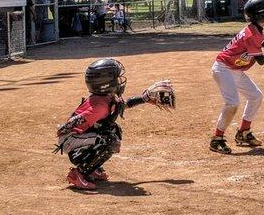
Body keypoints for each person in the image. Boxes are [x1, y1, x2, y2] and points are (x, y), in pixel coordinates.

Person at [54, 58, 175, 190]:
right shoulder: (99, 107)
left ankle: (91, 169)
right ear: (106, 84)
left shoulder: (105, 97)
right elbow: (73, 123)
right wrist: (65, 129)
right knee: (108, 140)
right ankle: (79, 173)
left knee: (113, 131)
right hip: (69, 140)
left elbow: (121, 105)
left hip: (77, 137)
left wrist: (144, 98)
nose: (119, 82)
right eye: (116, 79)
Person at [209, 0, 264, 154]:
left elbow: (260, 41)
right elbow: (261, 60)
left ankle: (244, 132)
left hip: (234, 69)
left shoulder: (255, 30)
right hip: (223, 68)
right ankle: (216, 139)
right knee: (232, 103)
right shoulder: (251, 34)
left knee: (255, 96)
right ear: (261, 16)